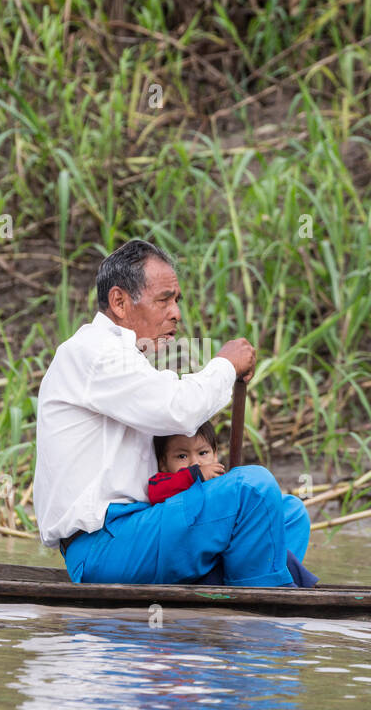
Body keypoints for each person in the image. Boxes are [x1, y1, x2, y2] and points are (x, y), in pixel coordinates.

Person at [33, 237, 313, 587]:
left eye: (176, 300)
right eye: (164, 300)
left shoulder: (128, 361)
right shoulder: (94, 353)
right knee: (254, 489)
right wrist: (226, 364)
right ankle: (262, 618)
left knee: (288, 514)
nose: (176, 313)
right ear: (119, 301)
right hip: (104, 546)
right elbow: (179, 409)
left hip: (144, 527)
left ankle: (236, 588)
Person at [147, 422, 318, 588]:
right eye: (182, 456)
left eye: (203, 453)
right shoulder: (164, 481)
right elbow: (156, 493)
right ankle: (300, 583)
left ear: (215, 456)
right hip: (194, 566)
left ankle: (281, 576)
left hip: (226, 560)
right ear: (163, 463)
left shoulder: (219, 482)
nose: (195, 462)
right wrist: (193, 475)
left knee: (292, 511)